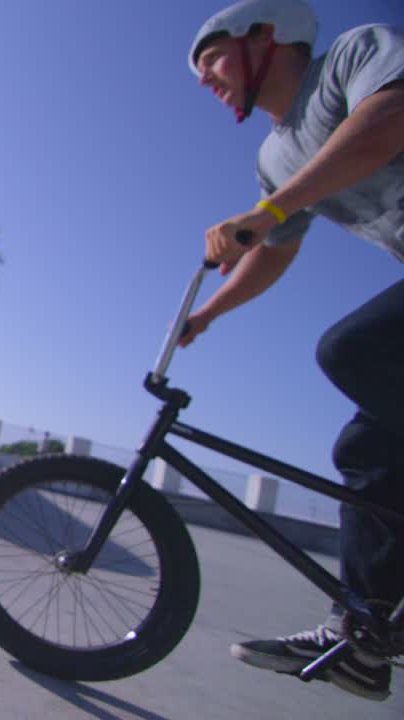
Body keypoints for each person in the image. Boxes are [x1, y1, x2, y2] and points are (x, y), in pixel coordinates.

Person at [181, 0, 404, 703]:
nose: (204, 79)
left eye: (211, 57)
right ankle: (363, 639)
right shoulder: (277, 154)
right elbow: (274, 251)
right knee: (367, 454)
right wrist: (208, 315)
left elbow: (387, 122)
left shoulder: (352, 57)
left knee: (351, 351)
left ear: (265, 36)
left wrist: (268, 212)